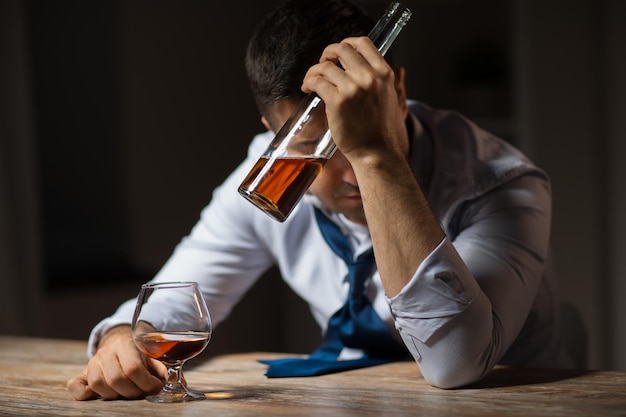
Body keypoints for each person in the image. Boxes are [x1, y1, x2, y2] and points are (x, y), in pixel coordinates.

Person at [67, 0, 561, 400]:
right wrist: (119, 342)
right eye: (315, 148)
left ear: (399, 90)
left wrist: (377, 156)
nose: (347, 172)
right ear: (271, 134)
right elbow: (170, 305)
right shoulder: (273, 172)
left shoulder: (503, 184)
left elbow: (457, 363)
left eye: (358, 135)